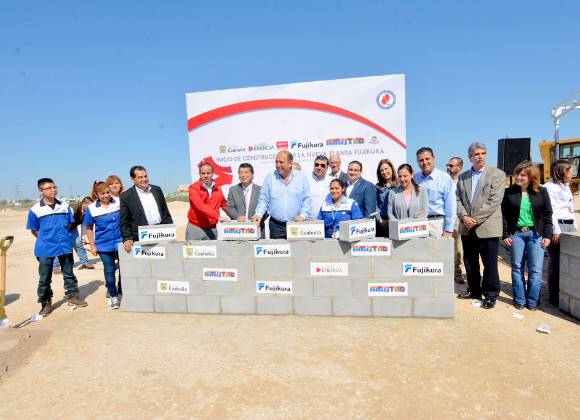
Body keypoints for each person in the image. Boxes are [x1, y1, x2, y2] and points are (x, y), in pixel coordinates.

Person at [26, 178, 88, 316]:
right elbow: (34, 230)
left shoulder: (65, 206)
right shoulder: (35, 210)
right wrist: (47, 239)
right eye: (49, 188)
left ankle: (73, 296)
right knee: (44, 277)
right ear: (41, 191)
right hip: (45, 248)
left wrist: (62, 236)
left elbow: (70, 224)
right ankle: (45, 303)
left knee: (69, 273)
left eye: (54, 187)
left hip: (64, 245)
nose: (53, 190)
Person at [456, 142, 506, 309]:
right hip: (467, 227)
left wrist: (474, 219)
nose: (480, 156)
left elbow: (494, 201)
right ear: (470, 157)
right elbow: (457, 199)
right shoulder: (463, 177)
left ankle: (490, 294)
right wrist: (464, 217)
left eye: (483, 153)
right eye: (476, 154)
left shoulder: (497, 174)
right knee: (470, 262)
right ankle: (474, 290)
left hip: (487, 227)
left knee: (490, 264)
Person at [502, 161, 553, 310]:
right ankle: (519, 300)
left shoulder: (541, 192)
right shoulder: (508, 192)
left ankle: (532, 302)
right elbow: (503, 216)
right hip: (516, 234)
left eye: (523, 175)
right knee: (517, 267)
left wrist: (548, 236)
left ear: (531, 176)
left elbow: (548, 214)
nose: (518, 177)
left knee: (535, 269)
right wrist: (505, 235)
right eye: (517, 174)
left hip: (536, 235)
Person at [252, 150, 312, 239]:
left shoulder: (301, 177)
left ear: (290, 163)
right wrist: (258, 214)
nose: (278, 165)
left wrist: (303, 216)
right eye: (276, 162)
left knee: (298, 248)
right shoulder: (270, 177)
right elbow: (263, 199)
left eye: (281, 162)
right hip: (276, 226)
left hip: (297, 224)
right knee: (278, 248)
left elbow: (307, 199)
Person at [84, 182, 124, 309]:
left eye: (108, 192)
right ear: (96, 194)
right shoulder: (92, 208)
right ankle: (113, 296)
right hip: (103, 245)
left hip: (121, 242)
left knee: (124, 269)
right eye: (103, 193)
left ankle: (122, 290)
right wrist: (92, 245)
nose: (106, 195)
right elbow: (89, 228)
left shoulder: (118, 203)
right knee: (109, 270)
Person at [544, 159, 577, 307]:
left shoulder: (566, 186)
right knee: (555, 261)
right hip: (557, 228)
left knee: (568, 262)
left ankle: (566, 293)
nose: (572, 173)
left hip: (568, 226)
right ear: (563, 171)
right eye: (570, 170)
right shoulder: (548, 187)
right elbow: (551, 211)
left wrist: (574, 226)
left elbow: (569, 208)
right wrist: (556, 231)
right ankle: (554, 297)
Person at [120, 165, 173, 251]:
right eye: (140, 177)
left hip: (162, 233)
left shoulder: (157, 190)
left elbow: (165, 212)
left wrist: (170, 230)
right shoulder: (126, 196)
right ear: (133, 179)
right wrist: (127, 238)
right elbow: (124, 221)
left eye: (145, 176)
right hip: (141, 238)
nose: (144, 179)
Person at [414, 147, 455, 238]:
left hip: (437, 224)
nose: (424, 162)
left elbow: (450, 205)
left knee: (439, 248)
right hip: (418, 224)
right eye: (421, 160)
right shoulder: (415, 179)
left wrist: (448, 229)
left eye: (427, 159)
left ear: (434, 159)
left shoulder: (444, 178)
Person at [187, 163, 229, 240]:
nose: (206, 176)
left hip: (212, 228)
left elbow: (224, 204)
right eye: (203, 173)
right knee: (192, 248)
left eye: (208, 173)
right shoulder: (193, 188)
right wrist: (218, 217)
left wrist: (236, 216)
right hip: (195, 228)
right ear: (199, 174)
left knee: (213, 248)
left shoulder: (218, 188)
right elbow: (200, 206)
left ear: (212, 174)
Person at [52, 196, 94, 274]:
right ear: (84, 204)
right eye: (90, 206)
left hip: (73, 228)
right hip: (62, 228)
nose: (91, 209)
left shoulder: (87, 213)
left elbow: (84, 225)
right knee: (60, 246)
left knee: (78, 244)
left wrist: (83, 238)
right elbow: (65, 218)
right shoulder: (73, 208)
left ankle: (85, 263)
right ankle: (55, 267)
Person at [226, 163, 266, 238]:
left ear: (252, 175)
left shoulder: (261, 190)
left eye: (246, 172)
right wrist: (237, 216)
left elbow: (266, 208)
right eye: (241, 173)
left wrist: (258, 217)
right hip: (238, 230)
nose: (243, 175)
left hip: (257, 229)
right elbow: (229, 208)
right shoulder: (232, 190)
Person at [447, 157, 465, 284]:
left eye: (451, 165)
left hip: (458, 218)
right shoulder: (445, 181)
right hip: (445, 217)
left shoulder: (464, 182)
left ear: (459, 167)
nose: (448, 167)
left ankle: (457, 272)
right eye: (448, 165)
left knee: (458, 246)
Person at [375, 159, 398, 237]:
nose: (384, 172)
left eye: (386, 169)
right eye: (382, 170)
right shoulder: (377, 187)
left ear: (391, 168)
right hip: (382, 222)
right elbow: (375, 205)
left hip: (397, 220)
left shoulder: (399, 185)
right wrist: (380, 220)